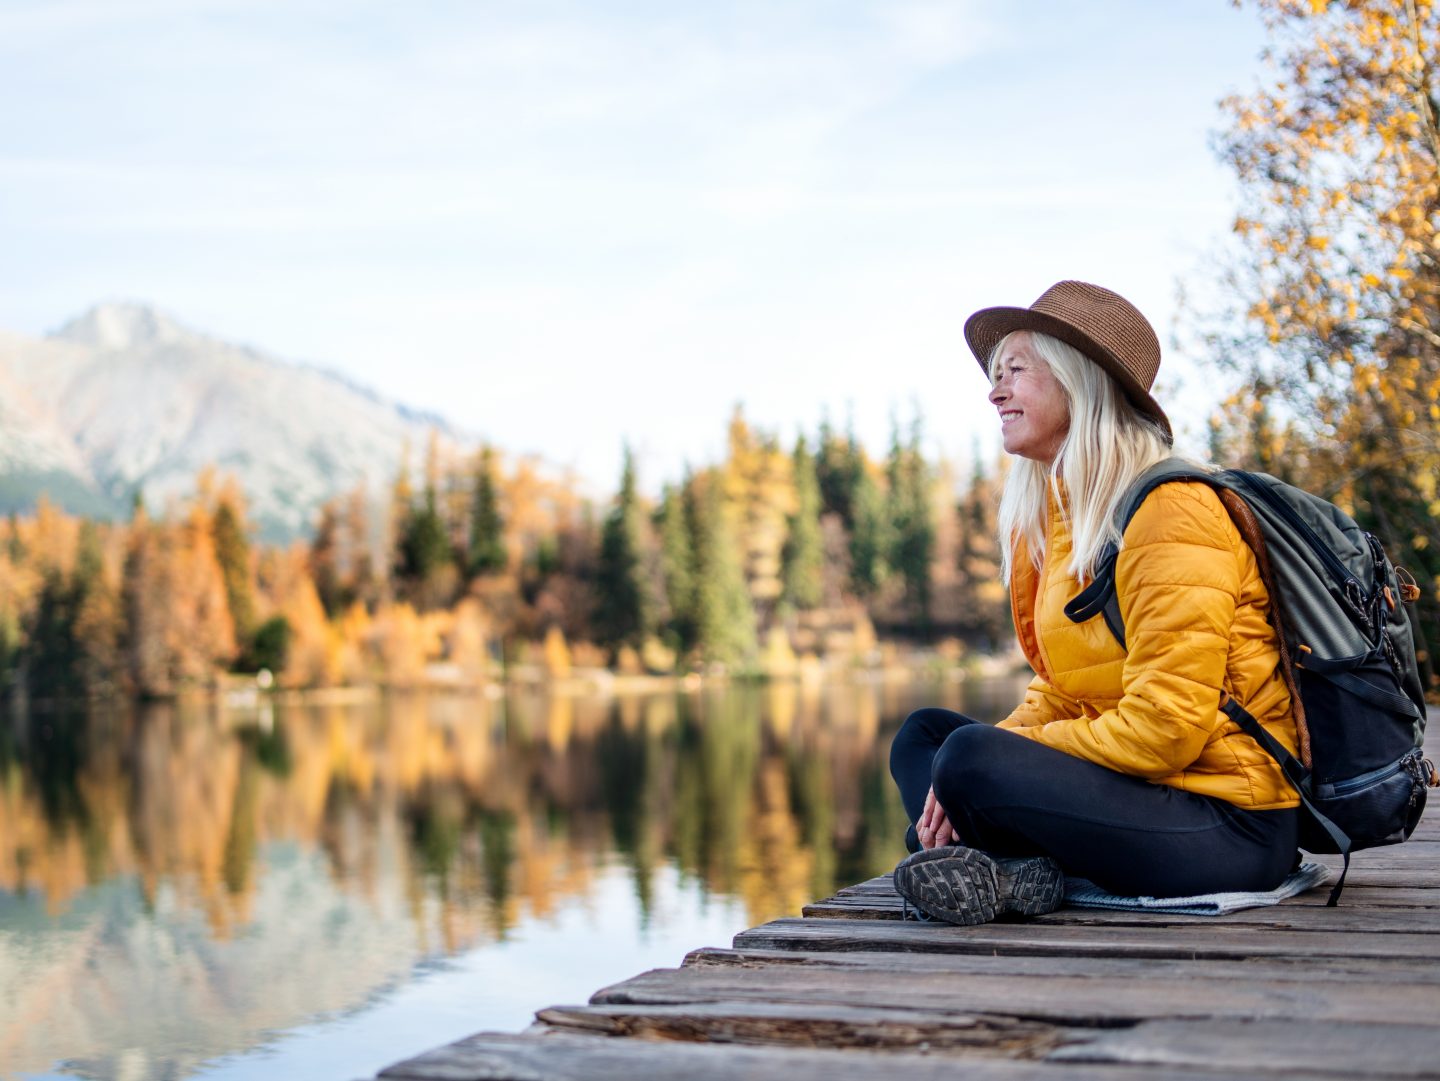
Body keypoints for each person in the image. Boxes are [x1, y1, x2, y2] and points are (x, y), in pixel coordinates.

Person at [888, 280, 1301, 925]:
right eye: (996, 376)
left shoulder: (1172, 511)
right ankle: (1007, 870)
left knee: (966, 758)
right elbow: (1062, 689)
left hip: (1227, 824)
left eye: (1015, 371)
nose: (994, 392)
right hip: (1143, 793)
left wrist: (992, 768)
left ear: (1079, 382)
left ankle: (988, 860)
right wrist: (983, 765)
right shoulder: (1071, 523)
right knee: (927, 737)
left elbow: (1167, 730)